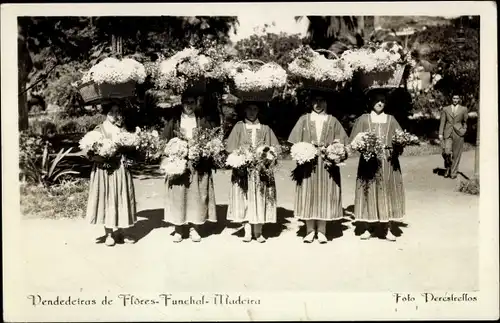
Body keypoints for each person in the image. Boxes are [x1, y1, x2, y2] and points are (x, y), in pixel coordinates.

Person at [288, 90, 349, 243]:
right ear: (310, 103)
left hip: (328, 164)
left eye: (322, 101)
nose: (318, 104)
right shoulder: (304, 120)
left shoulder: (333, 120)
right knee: (309, 192)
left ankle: (322, 230)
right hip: (308, 164)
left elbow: (343, 143)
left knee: (325, 193)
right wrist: (301, 152)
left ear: (327, 103)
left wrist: (337, 151)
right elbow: (295, 143)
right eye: (315, 101)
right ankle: (309, 230)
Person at [161, 90, 219, 243]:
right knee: (178, 195)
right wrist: (172, 152)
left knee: (196, 196)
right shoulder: (175, 120)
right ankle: (179, 229)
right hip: (178, 164)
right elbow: (164, 140)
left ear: (196, 104)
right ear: (182, 103)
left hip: (197, 163)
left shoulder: (202, 120)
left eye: (192, 102)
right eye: (186, 102)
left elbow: (210, 139)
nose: (189, 106)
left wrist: (204, 150)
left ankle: (194, 228)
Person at [349, 90, 405, 241]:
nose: (380, 103)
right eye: (377, 100)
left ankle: (387, 228)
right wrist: (363, 146)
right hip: (368, 161)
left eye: (383, 100)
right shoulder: (364, 119)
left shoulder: (391, 119)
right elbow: (353, 141)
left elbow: (400, 137)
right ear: (371, 101)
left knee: (387, 190)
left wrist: (400, 143)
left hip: (388, 161)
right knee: (369, 190)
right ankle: (368, 226)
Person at [226, 101, 280, 243]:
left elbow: (275, 149)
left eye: (255, 109)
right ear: (244, 110)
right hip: (243, 170)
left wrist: (268, 157)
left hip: (261, 171)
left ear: (258, 111)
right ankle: (247, 230)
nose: (251, 112)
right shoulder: (239, 127)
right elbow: (230, 148)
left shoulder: (265, 128)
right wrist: (239, 158)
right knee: (245, 198)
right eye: (249, 109)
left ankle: (258, 231)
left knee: (261, 198)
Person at [85, 100, 137, 247]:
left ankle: (122, 231)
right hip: (105, 170)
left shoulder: (123, 129)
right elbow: (90, 152)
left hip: (120, 167)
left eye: (117, 112)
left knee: (121, 196)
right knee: (107, 198)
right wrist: (102, 159)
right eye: (111, 112)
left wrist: (130, 154)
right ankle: (109, 233)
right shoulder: (98, 129)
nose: (114, 115)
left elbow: (128, 147)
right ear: (106, 113)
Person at [439, 94, 468, 179]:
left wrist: (464, 130)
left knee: (456, 154)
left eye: (457, 98)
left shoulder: (463, 109)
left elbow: (465, 121)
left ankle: (453, 172)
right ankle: (448, 167)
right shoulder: (445, 109)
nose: (455, 100)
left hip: (458, 133)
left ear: (459, 99)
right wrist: (440, 133)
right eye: (454, 98)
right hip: (447, 133)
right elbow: (442, 122)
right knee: (446, 152)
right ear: (451, 99)